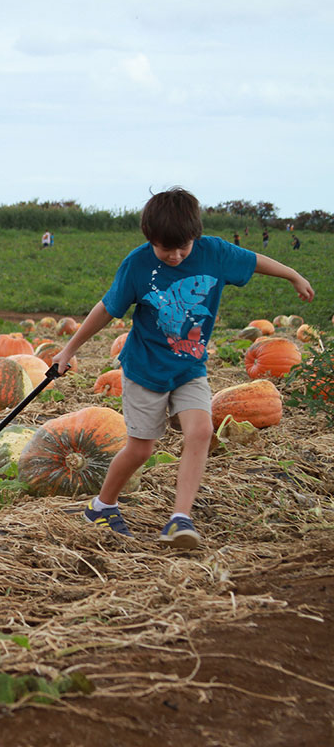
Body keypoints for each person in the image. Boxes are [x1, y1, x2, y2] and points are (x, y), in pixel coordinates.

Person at [52, 187, 313, 550]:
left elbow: (255, 261)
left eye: (182, 248)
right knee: (141, 450)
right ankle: (102, 506)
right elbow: (106, 309)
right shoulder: (138, 265)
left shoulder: (215, 253)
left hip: (190, 368)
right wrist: (68, 349)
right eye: (165, 249)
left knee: (201, 431)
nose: (174, 256)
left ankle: (180, 518)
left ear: (196, 236)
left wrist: (293, 276)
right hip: (145, 370)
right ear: (150, 239)